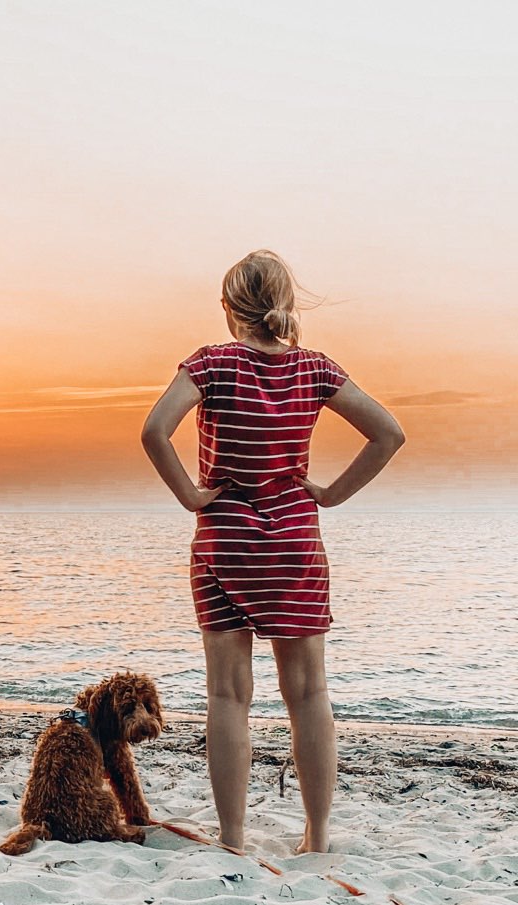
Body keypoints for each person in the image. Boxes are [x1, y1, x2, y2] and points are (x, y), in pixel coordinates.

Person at [140, 249, 405, 855]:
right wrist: (332, 495)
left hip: (224, 539)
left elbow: (155, 430)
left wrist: (190, 496)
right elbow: (389, 432)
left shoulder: (211, 363)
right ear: (285, 302)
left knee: (228, 694)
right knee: (309, 692)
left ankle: (232, 837)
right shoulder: (315, 369)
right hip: (292, 541)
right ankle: (316, 836)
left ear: (231, 307)